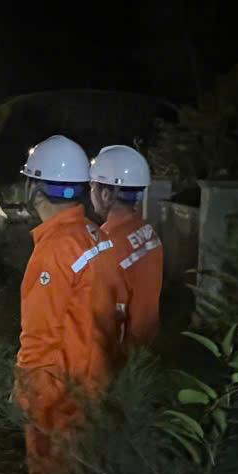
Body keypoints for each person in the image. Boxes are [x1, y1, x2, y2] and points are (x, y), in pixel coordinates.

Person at [12, 134, 122, 474]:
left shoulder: (53, 251)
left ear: (36, 188)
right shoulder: (94, 237)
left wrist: (28, 399)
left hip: (61, 396)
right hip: (95, 385)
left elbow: (39, 339)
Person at [90, 145, 164, 352]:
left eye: (93, 186)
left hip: (116, 353)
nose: (91, 193)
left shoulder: (105, 246)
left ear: (106, 194)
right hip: (145, 346)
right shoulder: (148, 233)